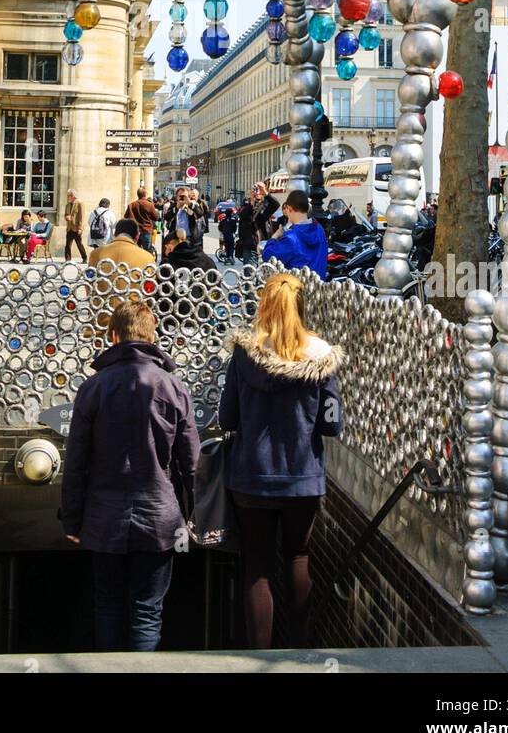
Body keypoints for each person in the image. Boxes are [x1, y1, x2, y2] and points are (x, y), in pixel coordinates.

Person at [60, 299, 200, 652]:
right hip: (160, 515)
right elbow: (191, 462)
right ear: (152, 337)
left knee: (107, 605)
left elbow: (76, 460)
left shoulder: (93, 388)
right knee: (148, 610)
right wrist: (197, 515)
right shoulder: (173, 387)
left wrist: (72, 520)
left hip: (103, 514)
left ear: (114, 335)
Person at [219, 272, 343, 650]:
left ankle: (261, 655)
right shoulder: (322, 358)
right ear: (302, 307)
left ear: (264, 306)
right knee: (298, 556)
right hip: (302, 478)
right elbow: (332, 424)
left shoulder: (244, 354)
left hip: (251, 478)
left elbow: (228, 418)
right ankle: (301, 648)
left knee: (257, 565)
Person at [262, 190, 328, 280]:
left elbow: (268, 257)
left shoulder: (291, 237)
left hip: (297, 290)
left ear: (289, 208)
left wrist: (275, 236)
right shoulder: (319, 229)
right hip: (318, 288)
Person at [125, 187, 159, 254]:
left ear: (138, 194)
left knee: (134, 251)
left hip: (135, 231)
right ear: (145, 194)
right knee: (147, 252)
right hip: (146, 230)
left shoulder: (131, 205)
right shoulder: (149, 205)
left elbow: (126, 217)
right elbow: (156, 217)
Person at [235, 191, 258, 265]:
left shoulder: (262, 209)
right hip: (250, 244)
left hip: (260, 245)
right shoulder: (246, 211)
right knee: (249, 271)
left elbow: (275, 204)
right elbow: (242, 214)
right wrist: (251, 204)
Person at [64, 189, 87, 262]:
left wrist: (80, 228)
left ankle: (84, 258)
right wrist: (66, 217)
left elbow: (82, 217)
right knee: (67, 245)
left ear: (73, 196)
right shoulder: (67, 205)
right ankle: (67, 259)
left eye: (68, 196)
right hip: (69, 228)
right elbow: (66, 214)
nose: (67, 198)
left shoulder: (80, 203)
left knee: (79, 244)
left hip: (76, 228)